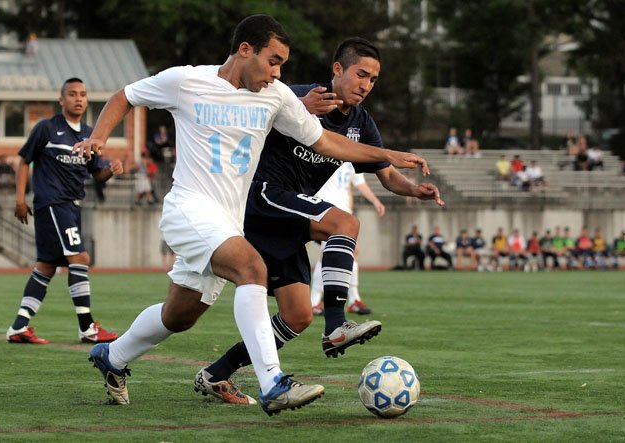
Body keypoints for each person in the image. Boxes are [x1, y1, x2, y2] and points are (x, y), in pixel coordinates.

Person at [73, 19, 436, 414]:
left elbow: (326, 141)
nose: (278, 72)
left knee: (179, 315)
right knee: (252, 268)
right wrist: (99, 138)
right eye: (274, 61)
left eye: (282, 65)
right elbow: (125, 96)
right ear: (245, 50)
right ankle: (273, 383)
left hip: (230, 221)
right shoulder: (187, 81)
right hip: (190, 208)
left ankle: (113, 356)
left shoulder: (275, 95)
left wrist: (388, 155)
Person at [190, 37, 443, 406]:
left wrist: (414, 190)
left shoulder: (361, 123)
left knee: (297, 315)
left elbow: (386, 174)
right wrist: (298, 107)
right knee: (345, 223)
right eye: (360, 74)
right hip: (262, 194)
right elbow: (247, 104)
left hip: (289, 215)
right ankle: (337, 324)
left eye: (373, 80)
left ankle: (215, 374)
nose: (366, 85)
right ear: (337, 69)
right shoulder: (297, 95)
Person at [6, 78, 123, 345]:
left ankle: (19, 327)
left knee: (46, 266)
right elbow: (24, 161)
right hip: (53, 204)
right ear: (61, 100)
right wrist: (19, 199)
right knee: (79, 258)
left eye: (82, 94)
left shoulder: (90, 134)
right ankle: (87, 327)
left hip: (72, 206)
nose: (78, 99)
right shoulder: (46, 128)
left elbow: (97, 175)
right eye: (72, 94)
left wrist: (112, 170)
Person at [309, 162, 386, 316]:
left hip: (343, 213)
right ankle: (319, 301)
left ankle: (349, 301)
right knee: (337, 253)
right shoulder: (326, 150)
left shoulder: (352, 158)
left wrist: (375, 201)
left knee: (343, 254)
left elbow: (358, 183)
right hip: (325, 210)